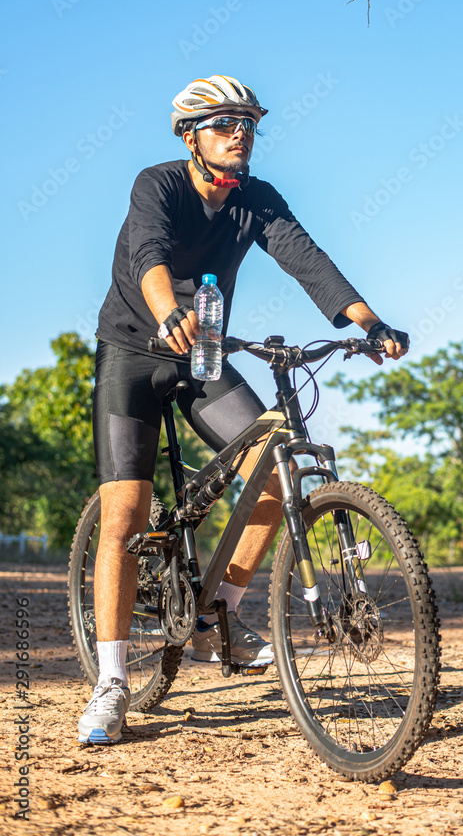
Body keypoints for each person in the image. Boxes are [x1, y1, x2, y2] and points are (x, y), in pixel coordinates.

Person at [78, 74, 409, 745]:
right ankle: (111, 683)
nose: (241, 134)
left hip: (201, 355)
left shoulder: (255, 199)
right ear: (190, 135)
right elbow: (146, 253)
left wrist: (369, 324)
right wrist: (168, 308)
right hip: (134, 352)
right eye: (226, 123)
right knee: (125, 514)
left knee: (269, 460)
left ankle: (218, 622)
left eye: (249, 124)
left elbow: (307, 260)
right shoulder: (159, 184)